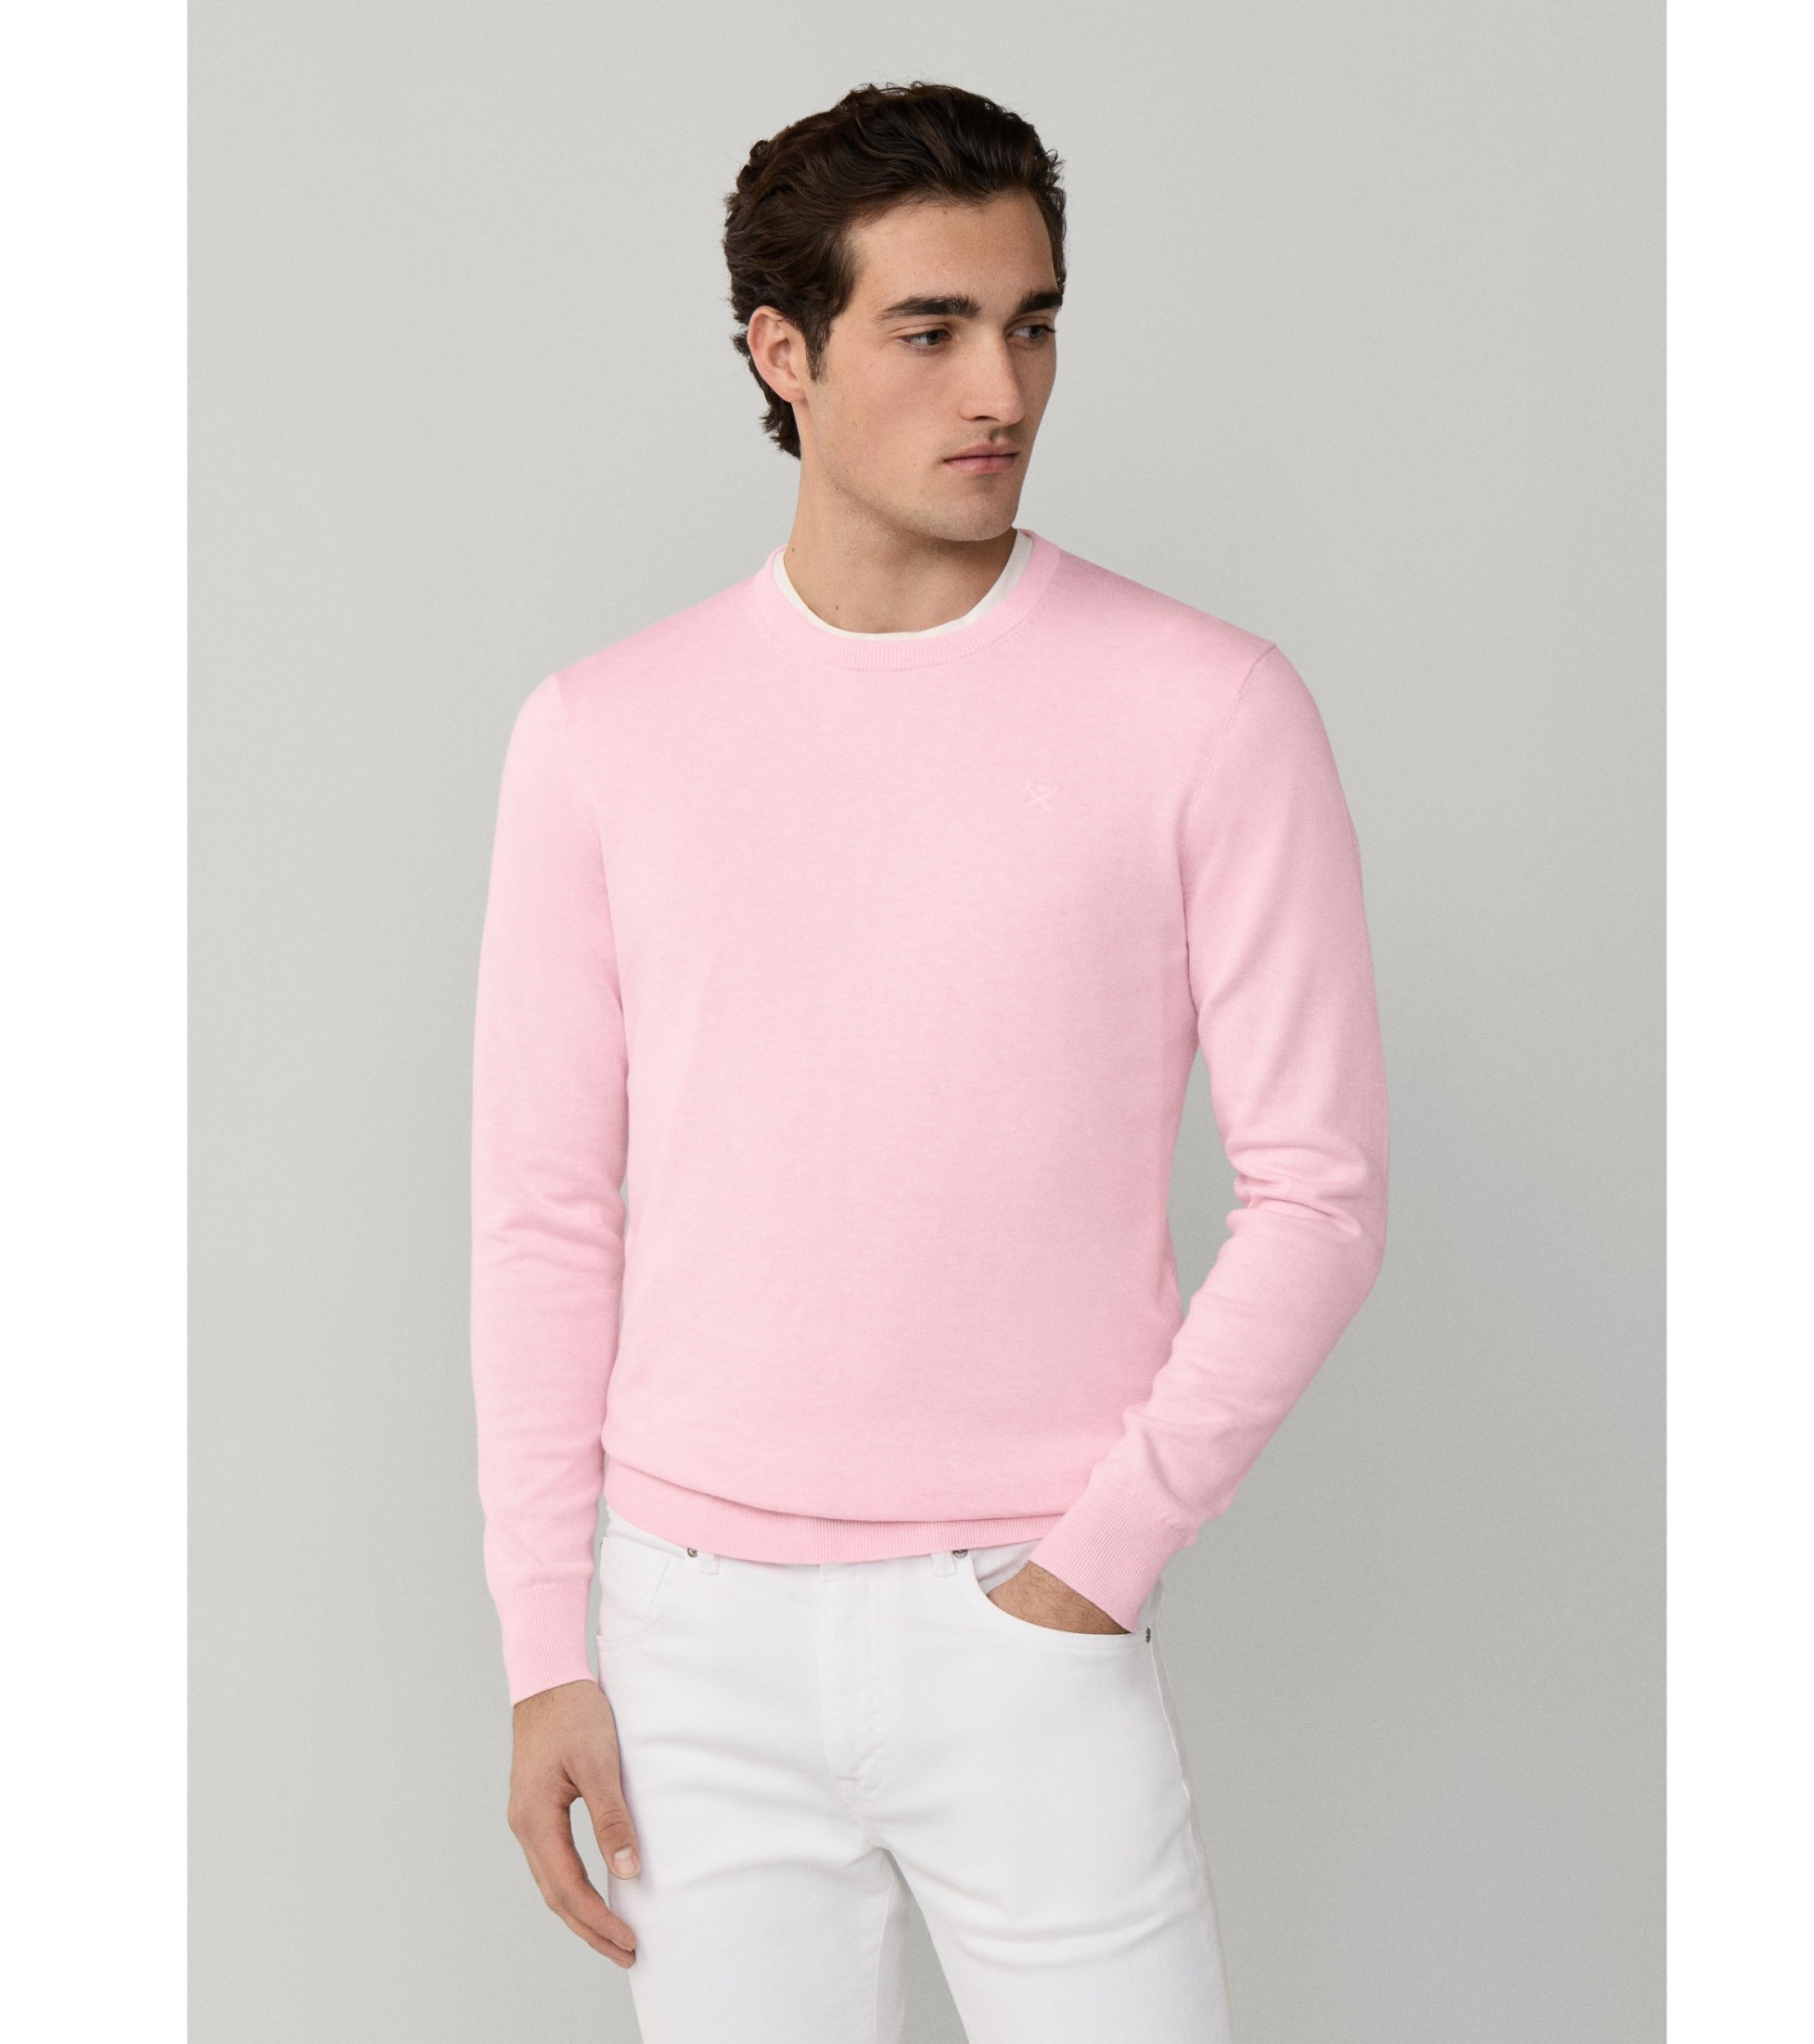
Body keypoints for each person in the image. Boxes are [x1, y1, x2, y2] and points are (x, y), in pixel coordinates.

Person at [470, 79, 1389, 2044]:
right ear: (781, 353)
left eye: (1032, 322)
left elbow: (1319, 1194)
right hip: (687, 1632)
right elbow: (545, 1210)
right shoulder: (603, 734)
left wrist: (1095, 1566)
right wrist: (548, 1642)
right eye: (931, 328)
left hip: (1030, 1611)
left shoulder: (1207, 708)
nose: (1003, 388)